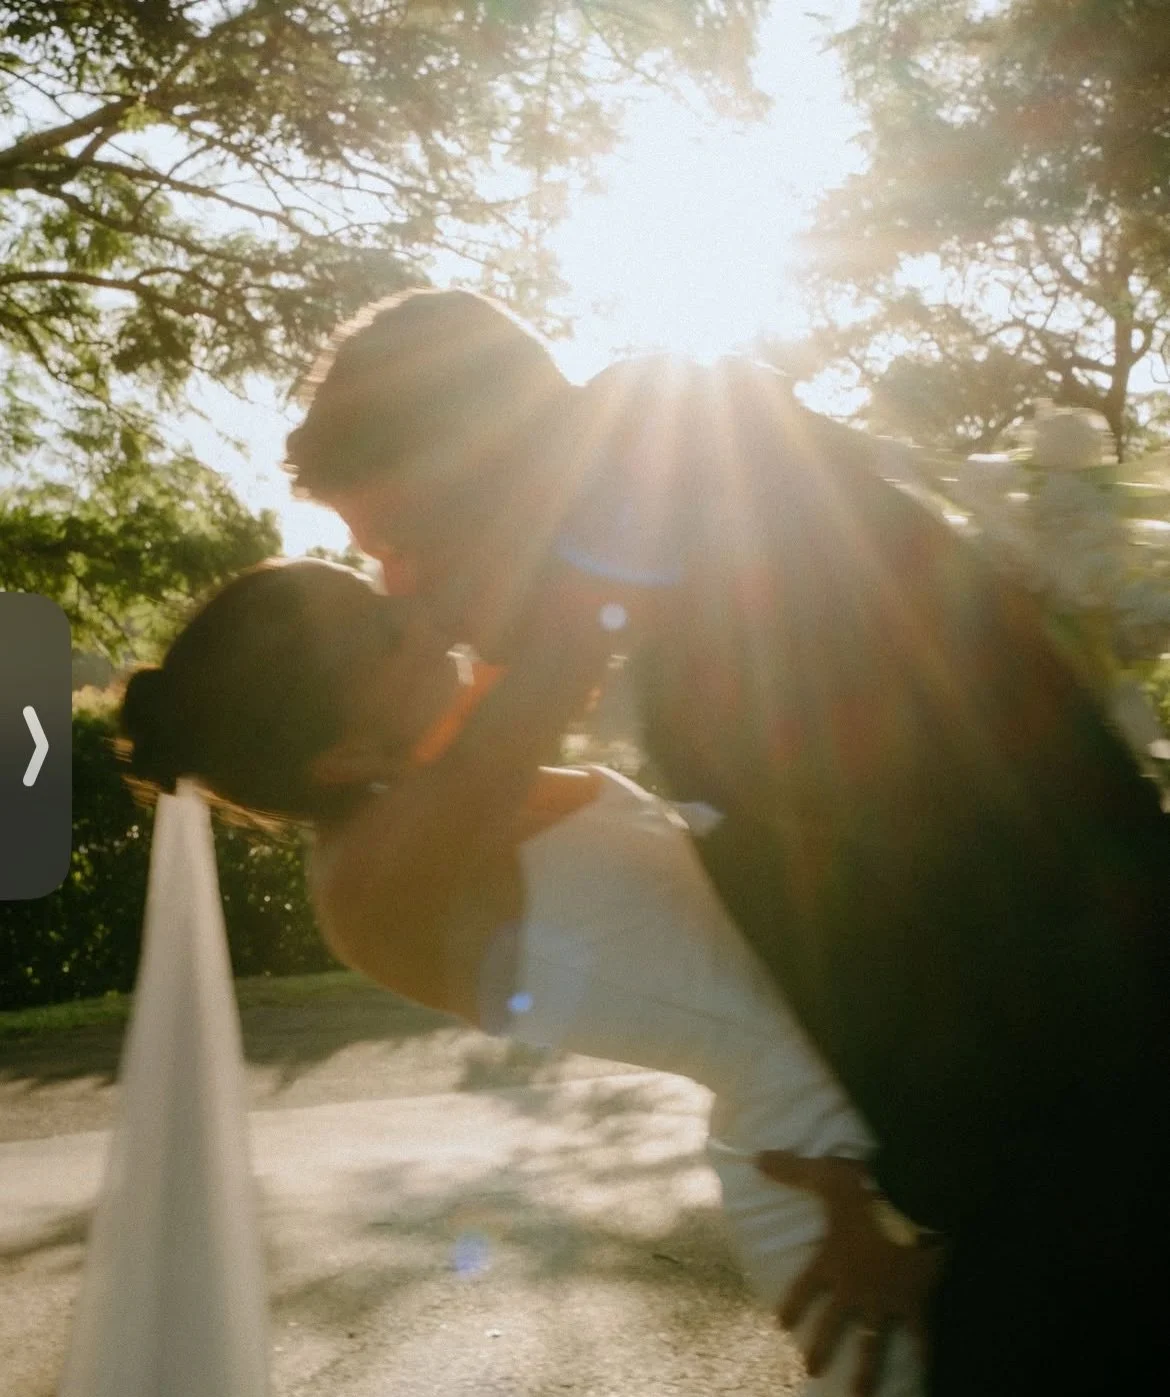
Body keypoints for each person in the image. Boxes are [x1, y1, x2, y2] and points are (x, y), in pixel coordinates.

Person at [281, 289, 1170, 1396]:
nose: (400, 587)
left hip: (1087, 1184)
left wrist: (933, 1216)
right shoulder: (707, 511)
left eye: (401, 539)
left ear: (489, 464)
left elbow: (980, 907)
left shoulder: (741, 601)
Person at [118, 558, 943, 1397]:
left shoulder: (445, 785)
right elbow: (568, 642)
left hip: (874, 1090)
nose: (419, 607)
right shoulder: (370, 879)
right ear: (346, 753)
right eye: (386, 627)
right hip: (824, 1185)